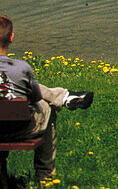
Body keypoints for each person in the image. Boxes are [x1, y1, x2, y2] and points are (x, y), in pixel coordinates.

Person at [0, 15, 94, 184]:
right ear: (11, 37)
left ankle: (65, 96)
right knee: (46, 106)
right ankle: (45, 175)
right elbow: (36, 96)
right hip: (23, 129)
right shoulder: (22, 68)